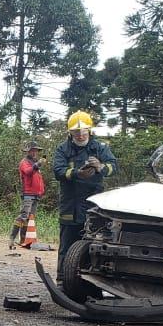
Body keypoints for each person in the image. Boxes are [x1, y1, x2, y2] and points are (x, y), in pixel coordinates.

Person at [53, 110, 116, 269]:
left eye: (83, 132)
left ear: (89, 130)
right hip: (70, 205)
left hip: (94, 205)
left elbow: (113, 166)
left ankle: (90, 281)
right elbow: (58, 171)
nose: (80, 135)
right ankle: (62, 279)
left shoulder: (100, 148)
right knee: (67, 244)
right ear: (70, 132)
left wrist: (100, 167)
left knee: (94, 244)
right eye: (76, 132)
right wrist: (76, 173)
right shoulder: (63, 149)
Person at [11, 141, 45, 248]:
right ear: (28, 151)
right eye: (32, 150)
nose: (34, 152)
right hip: (28, 193)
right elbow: (28, 172)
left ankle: (23, 240)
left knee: (30, 217)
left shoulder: (34, 163)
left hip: (36, 194)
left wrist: (41, 191)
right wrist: (38, 164)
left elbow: (38, 179)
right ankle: (12, 238)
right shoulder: (25, 162)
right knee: (24, 215)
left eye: (36, 150)